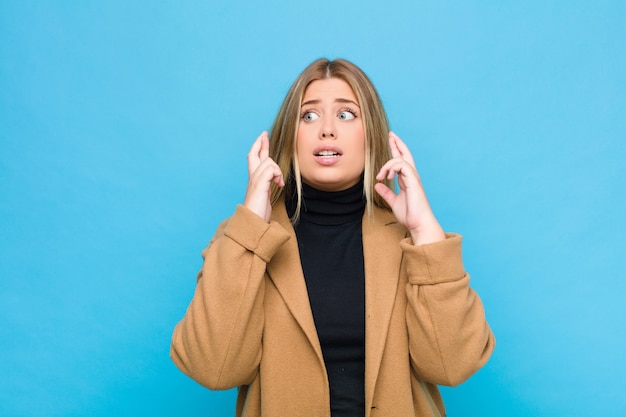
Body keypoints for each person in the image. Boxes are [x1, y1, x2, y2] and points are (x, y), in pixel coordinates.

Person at [170, 58, 495, 417]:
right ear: (288, 136)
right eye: (308, 116)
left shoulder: (411, 239)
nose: (326, 129)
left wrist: (425, 233)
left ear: (371, 134)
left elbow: (452, 367)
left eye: (346, 115)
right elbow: (213, 369)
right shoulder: (246, 238)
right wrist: (250, 230)